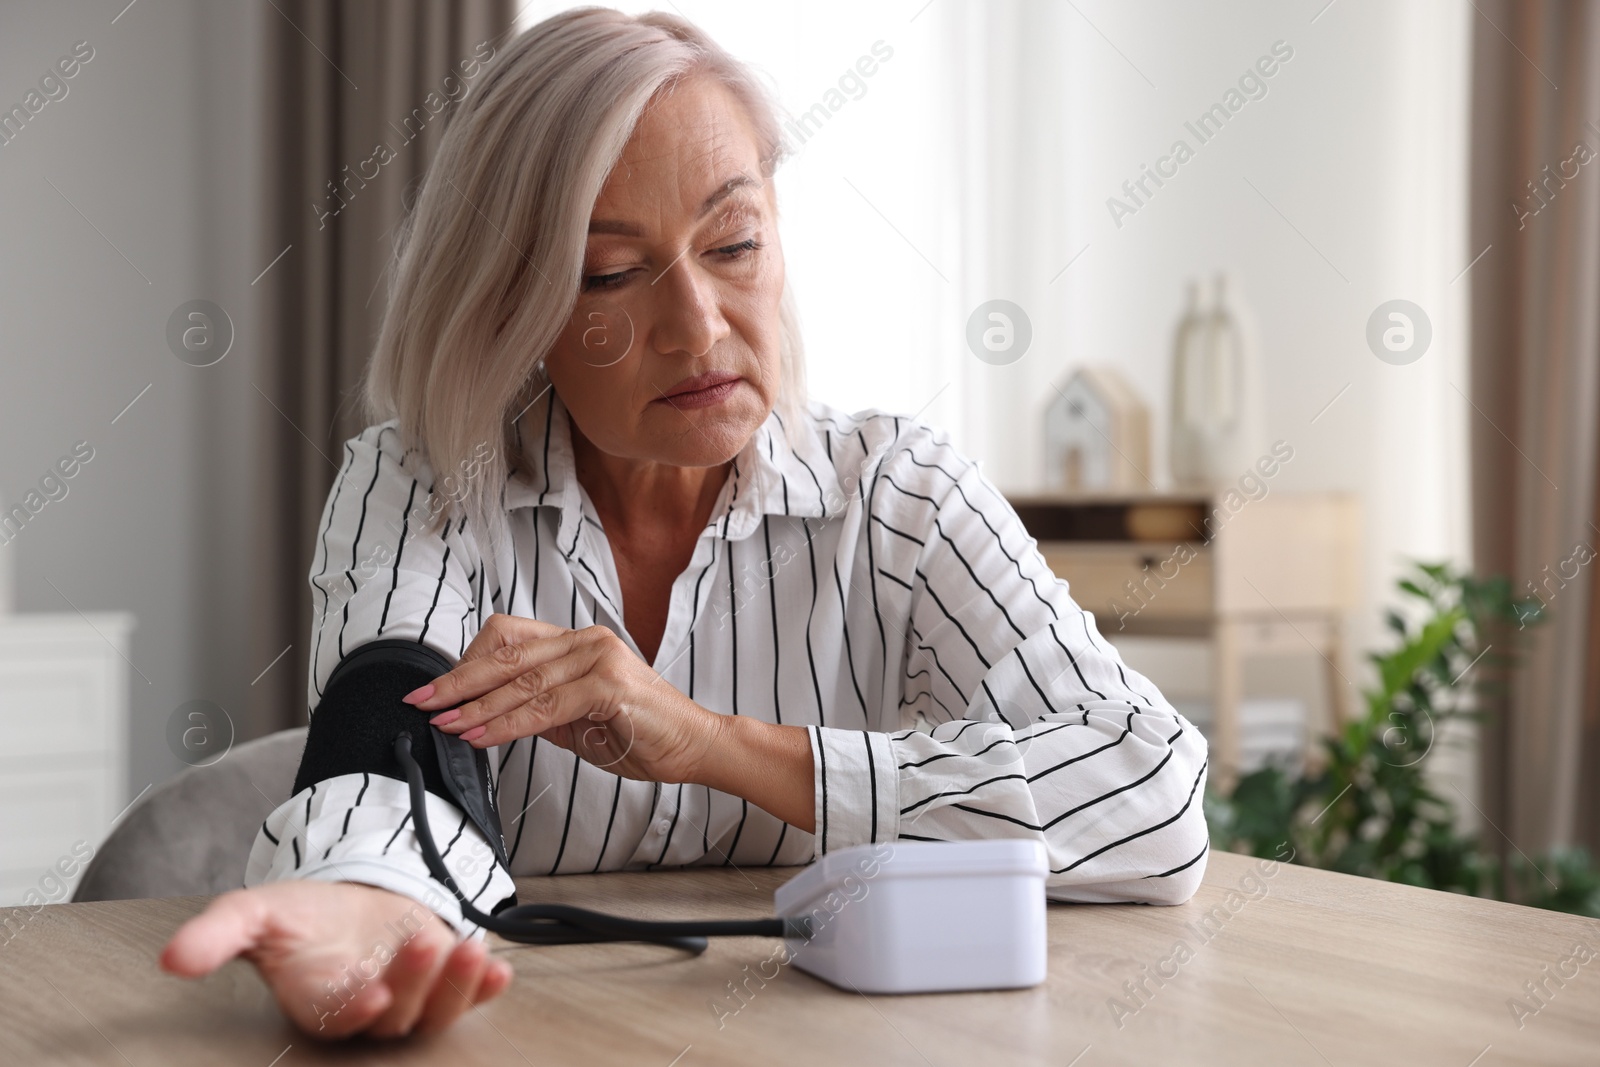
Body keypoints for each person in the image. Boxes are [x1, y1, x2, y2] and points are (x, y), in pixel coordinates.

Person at [160, 6, 1210, 1039]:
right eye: (612, 272)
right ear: (511, 304)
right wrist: (373, 905)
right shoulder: (422, 484)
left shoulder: (900, 494)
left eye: (734, 242)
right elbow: (391, 754)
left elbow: (1153, 798)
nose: (699, 325)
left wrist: (714, 744)